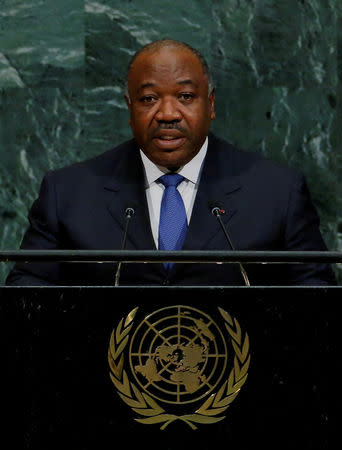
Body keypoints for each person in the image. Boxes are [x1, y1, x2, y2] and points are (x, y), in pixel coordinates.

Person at [6, 39, 336, 286]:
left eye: (185, 97)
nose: (166, 114)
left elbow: (317, 295)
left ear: (210, 105)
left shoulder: (278, 192)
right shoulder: (67, 193)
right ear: (129, 108)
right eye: (149, 99)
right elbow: (27, 293)